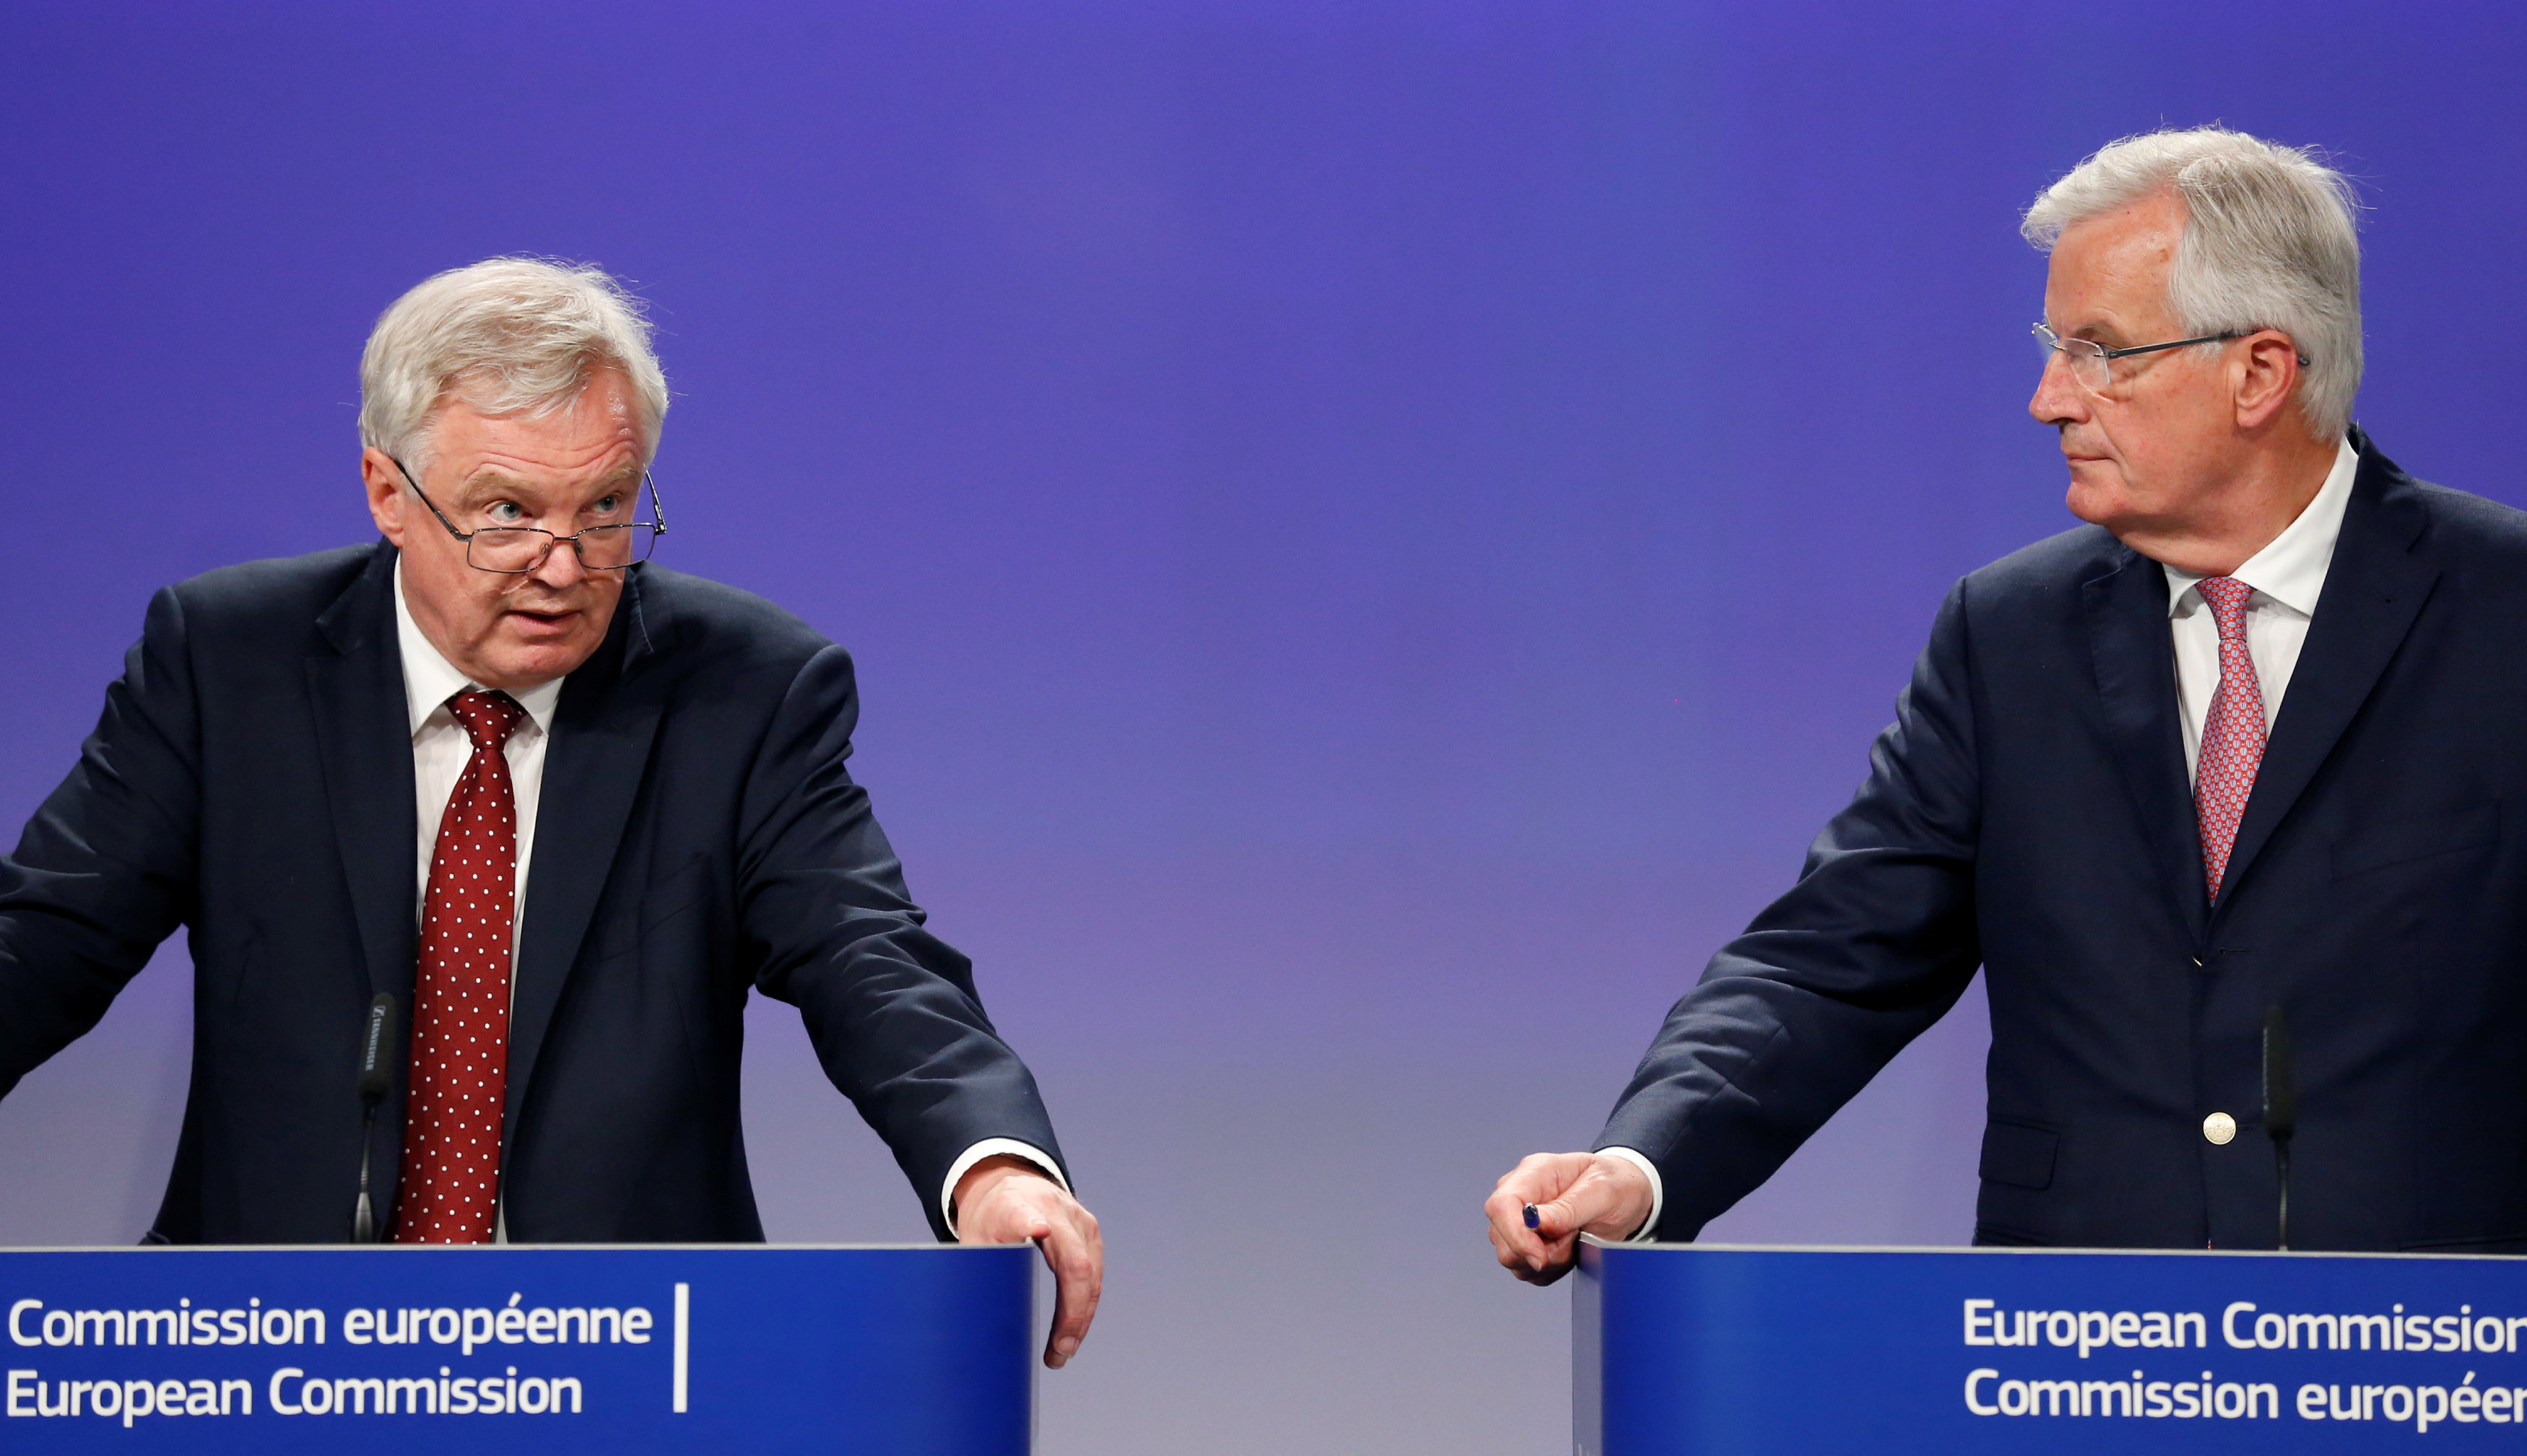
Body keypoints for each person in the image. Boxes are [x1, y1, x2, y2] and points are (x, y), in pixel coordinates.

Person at [0, 258, 1101, 1367]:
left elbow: (867, 957)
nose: (563, 567)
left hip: (632, 1356)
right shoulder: (229, 665)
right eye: (508, 512)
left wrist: (991, 1161)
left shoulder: (743, 692)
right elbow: (46, 938)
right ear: (388, 492)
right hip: (266, 1351)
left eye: (606, 509)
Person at [1488, 125, 2527, 1275]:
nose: (2048, 400)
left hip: (2427, 1342)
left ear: (2259, 373)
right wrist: (1643, 1164)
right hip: (2071, 1333)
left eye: (2100, 352)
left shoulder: (2504, 613)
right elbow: (1833, 955)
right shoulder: (2010, 636)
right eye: (2054, 349)